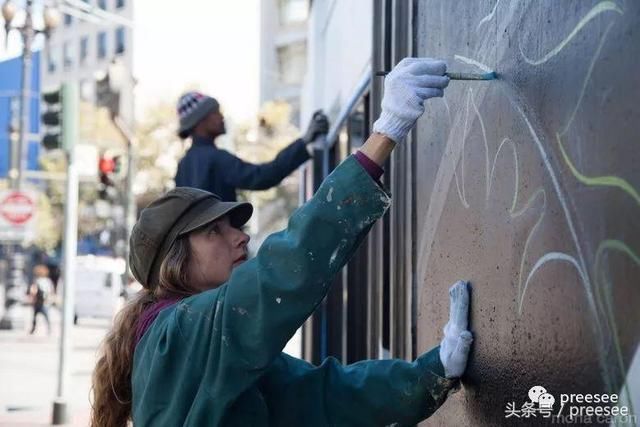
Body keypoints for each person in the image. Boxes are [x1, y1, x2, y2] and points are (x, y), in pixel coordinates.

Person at [91, 58, 473, 426]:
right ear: (174, 261)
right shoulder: (176, 335)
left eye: (233, 225)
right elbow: (281, 271)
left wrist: (435, 370)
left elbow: (326, 396)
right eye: (214, 230)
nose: (240, 237)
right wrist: (384, 133)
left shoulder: (208, 343)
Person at [174, 91, 329, 201]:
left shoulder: (183, 167)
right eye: (215, 113)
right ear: (199, 122)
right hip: (221, 245)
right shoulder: (215, 158)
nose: (221, 117)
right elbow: (261, 177)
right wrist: (304, 141)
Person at [29, 264, 53, 335]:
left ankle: (33, 329)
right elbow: (51, 291)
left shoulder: (37, 281)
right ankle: (49, 329)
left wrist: (32, 298)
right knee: (46, 317)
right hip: (45, 302)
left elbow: (33, 291)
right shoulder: (48, 281)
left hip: (37, 302)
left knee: (34, 317)